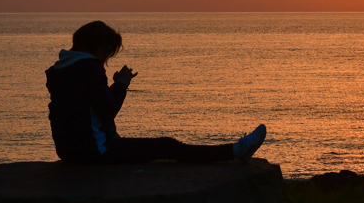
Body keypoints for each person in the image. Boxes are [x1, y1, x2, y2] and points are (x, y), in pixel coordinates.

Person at [45, 20, 266, 165]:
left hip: (71, 152)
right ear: (99, 48)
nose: (106, 61)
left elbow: (87, 109)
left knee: (160, 150)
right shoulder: (88, 67)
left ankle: (234, 151)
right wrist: (121, 84)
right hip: (94, 153)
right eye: (106, 54)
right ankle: (237, 151)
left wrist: (112, 87)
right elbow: (107, 112)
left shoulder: (62, 69)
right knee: (168, 146)